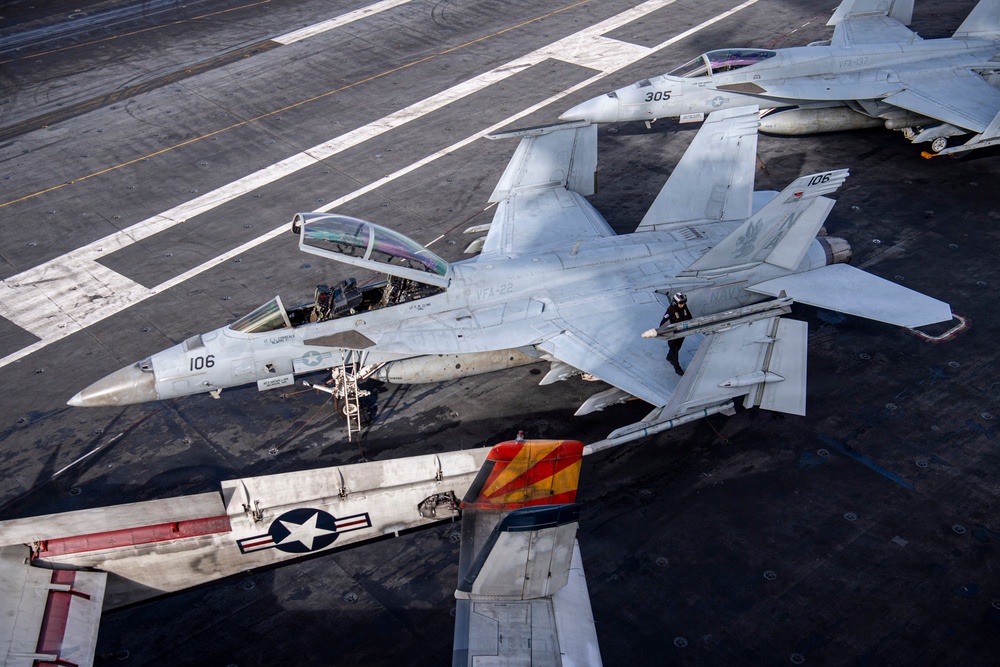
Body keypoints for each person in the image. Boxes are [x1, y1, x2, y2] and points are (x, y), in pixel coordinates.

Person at [660, 292, 692, 375]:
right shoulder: (670, 311)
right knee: (675, 350)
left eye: (684, 302)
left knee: (677, 348)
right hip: (673, 335)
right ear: (675, 302)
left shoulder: (684, 307)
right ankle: (677, 368)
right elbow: (662, 324)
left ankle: (669, 357)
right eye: (681, 303)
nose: (683, 304)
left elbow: (689, 316)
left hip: (682, 333)